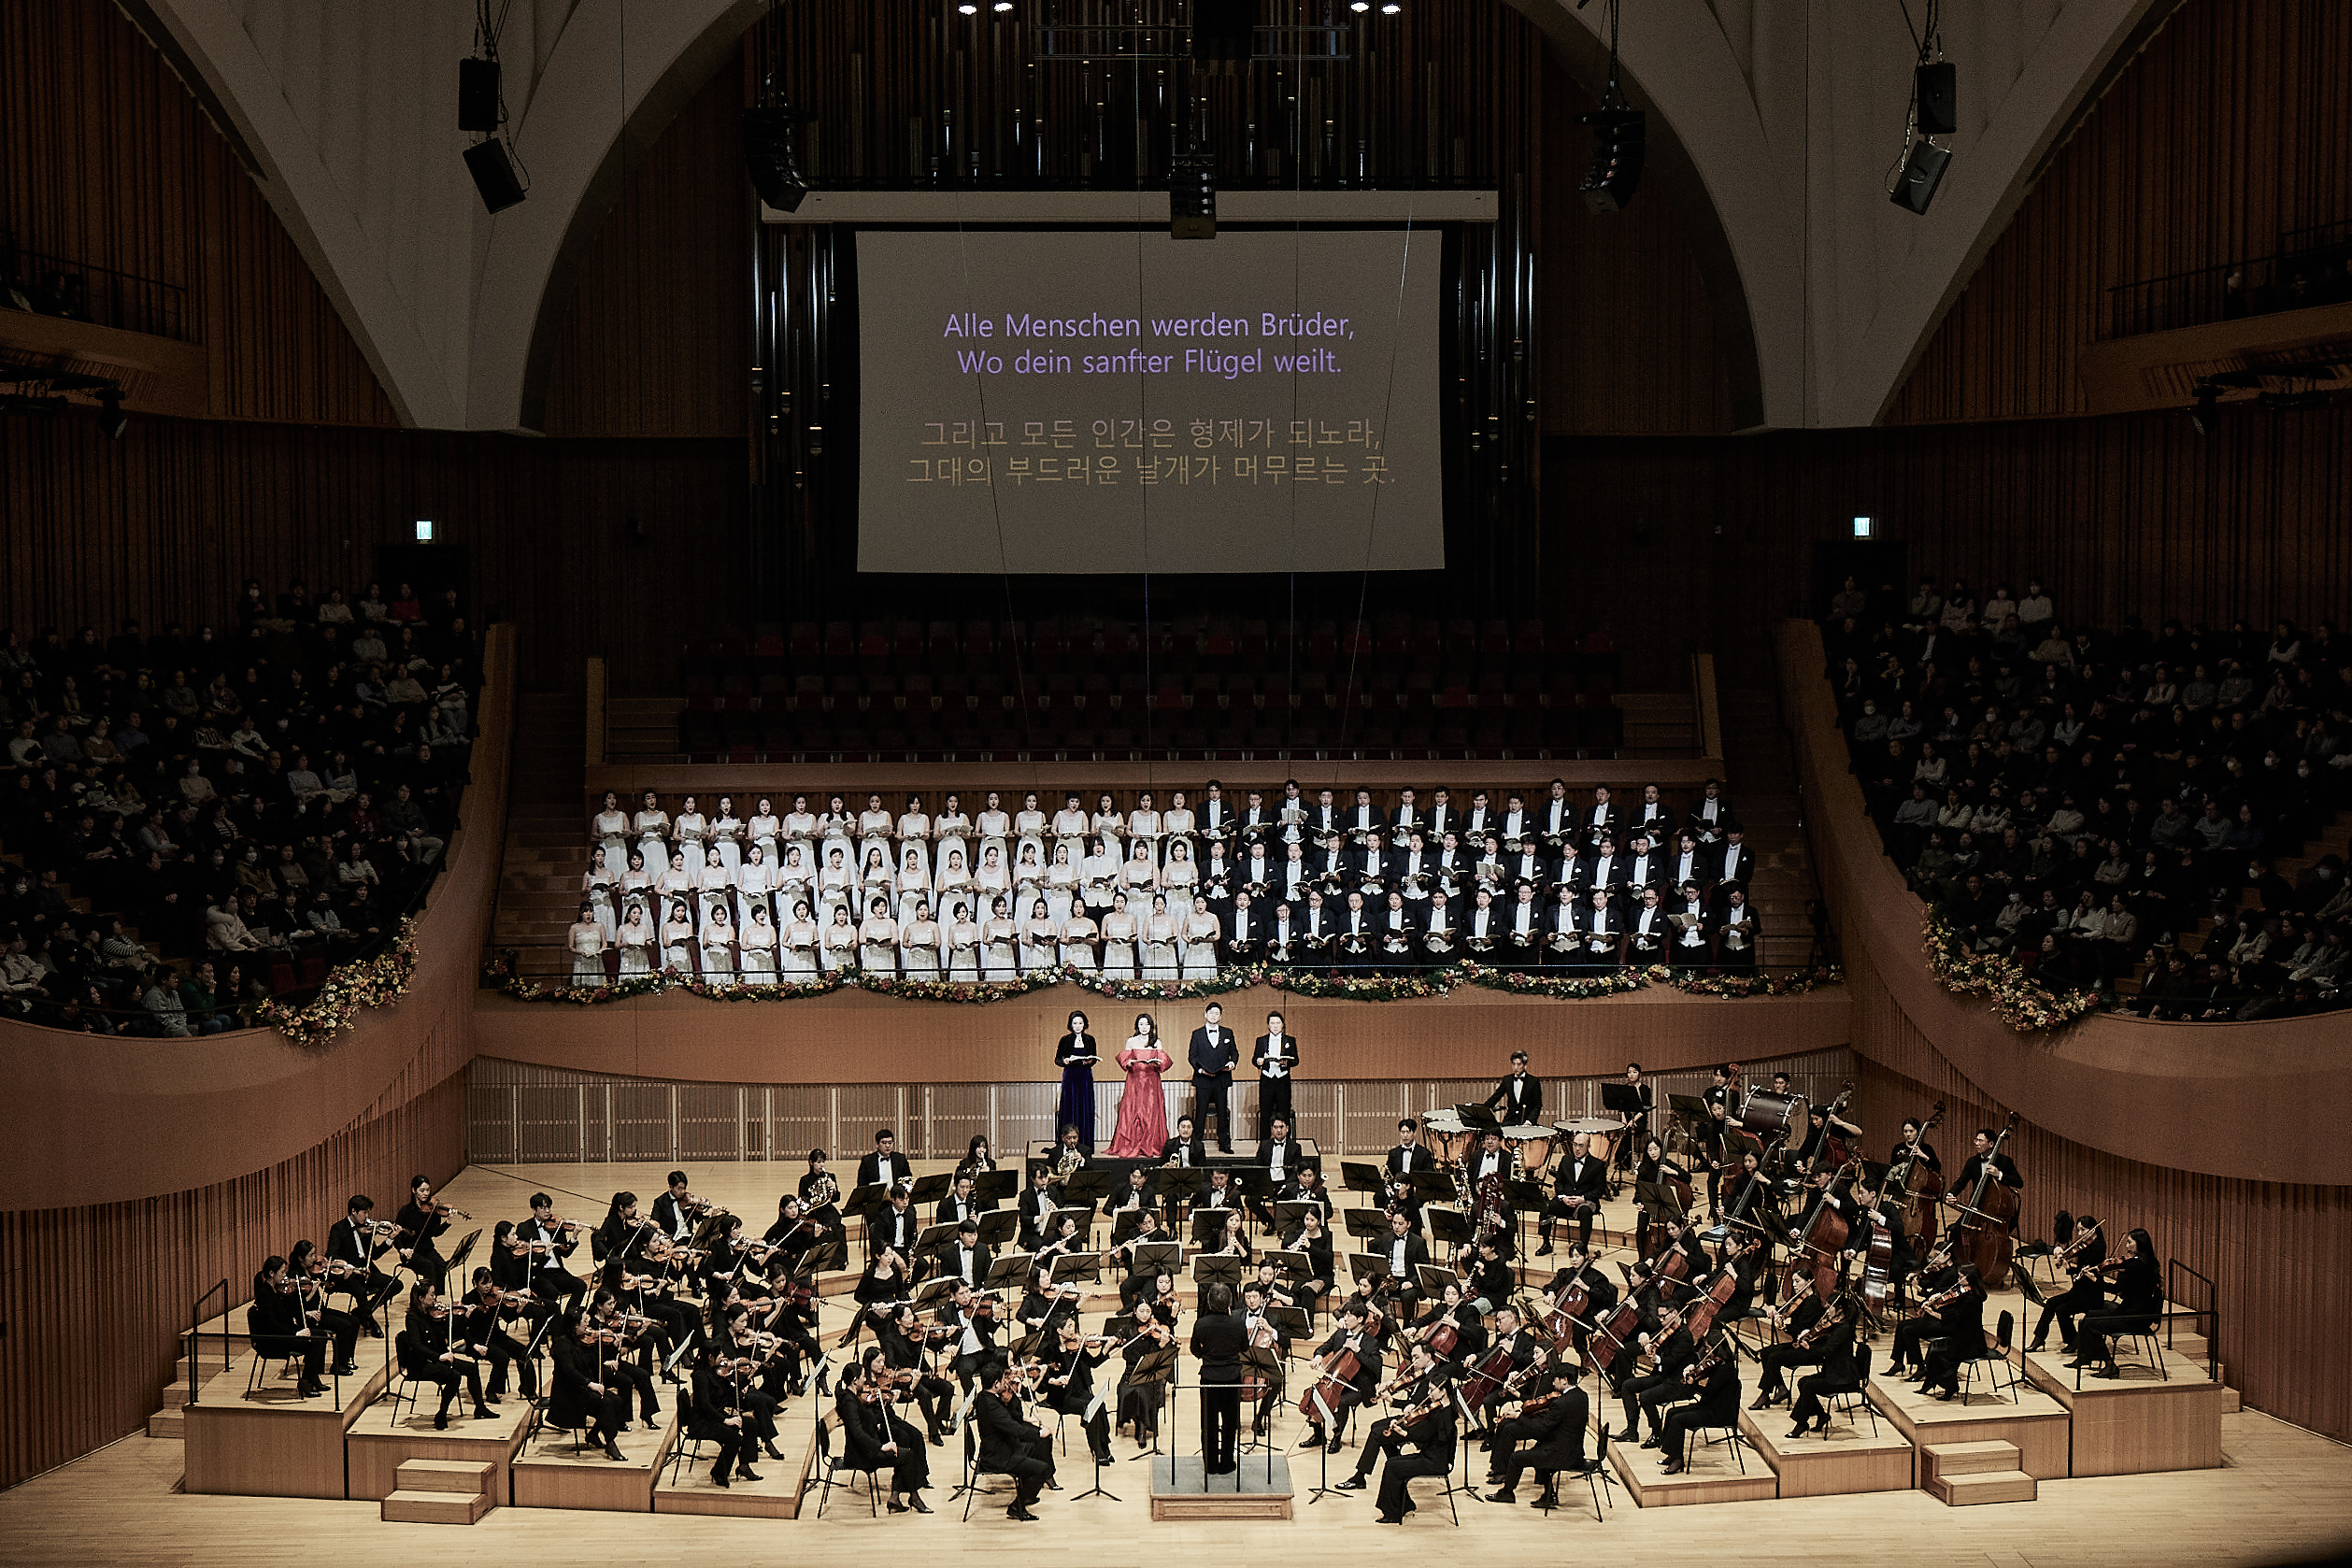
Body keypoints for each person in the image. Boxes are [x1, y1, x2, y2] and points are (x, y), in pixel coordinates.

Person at [1486, 1360, 1589, 1505]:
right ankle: (1549, 1496)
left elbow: (1541, 1429)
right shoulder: (1582, 1396)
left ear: (1565, 1380)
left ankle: (1506, 1493)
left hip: (1561, 1454)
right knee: (1537, 1448)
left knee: (1516, 1458)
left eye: (1555, 1379)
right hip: (1574, 1449)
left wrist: (1520, 1417)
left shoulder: (1561, 1403)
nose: (1552, 1383)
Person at [839, 1348, 932, 1508]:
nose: (883, 1365)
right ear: (856, 1380)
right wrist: (881, 1443)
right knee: (903, 1442)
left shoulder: (856, 1395)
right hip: (869, 1441)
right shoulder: (851, 1400)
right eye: (878, 1362)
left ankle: (911, 1486)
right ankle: (909, 1495)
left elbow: (863, 1423)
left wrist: (904, 1391)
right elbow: (858, 1431)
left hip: (883, 1424)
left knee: (914, 1436)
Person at [2072, 1228, 2162, 1378]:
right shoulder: (2150, 1263)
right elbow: (2128, 1290)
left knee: (2089, 1322)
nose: (2126, 1246)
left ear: (2139, 1244)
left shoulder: (2135, 1266)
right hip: (2138, 1314)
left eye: (2129, 1242)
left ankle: (2109, 1364)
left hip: (2133, 1318)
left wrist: (2096, 1280)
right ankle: (2085, 1356)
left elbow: (2118, 1290)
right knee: (2090, 1315)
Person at [403, 1282, 492, 1430]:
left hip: (439, 1357)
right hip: (421, 1364)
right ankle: (441, 1414)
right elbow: (417, 1345)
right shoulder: (412, 1318)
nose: (435, 1298)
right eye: (431, 1295)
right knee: (454, 1376)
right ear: (420, 1298)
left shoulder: (433, 1314)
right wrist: (439, 1357)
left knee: (471, 1368)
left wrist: (464, 1317)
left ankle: (480, 1408)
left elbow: (454, 1331)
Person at [976, 1359, 1056, 1521]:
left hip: (1001, 1446)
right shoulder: (993, 1407)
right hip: (999, 1456)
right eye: (1002, 1381)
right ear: (996, 1383)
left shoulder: (984, 1396)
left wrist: (1015, 1394)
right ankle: (1017, 1506)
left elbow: (1013, 1418)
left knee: (1035, 1450)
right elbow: (1015, 1429)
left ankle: (1026, 1493)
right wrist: (1039, 1433)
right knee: (1042, 1469)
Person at [550, 1312, 632, 1460]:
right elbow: (570, 1372)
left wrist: (613, 1349)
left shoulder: (582, 1341)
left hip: (582, 1388)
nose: (588, 1325)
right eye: (584, 1322)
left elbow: (594, 1363)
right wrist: (590, 1384)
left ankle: (593, 1434)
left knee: (618, 1401)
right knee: (605, 1403)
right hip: (569, 1393)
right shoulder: (562, 1344)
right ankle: (611, 1444)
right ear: (574, 1326)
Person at [1190, 1281, 1248, 1475]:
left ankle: (1210, 1464)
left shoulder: (1201, 1324)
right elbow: (1244, 1348)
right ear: (1230, 1302)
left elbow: (1193, 1349)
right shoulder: (1238, 1323)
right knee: (1230, 1422)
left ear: (1209, 1302)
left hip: (1209, 1378)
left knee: (1209, 1423)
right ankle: (1226, 1464)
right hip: (1232, 1378)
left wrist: (1206, 1356)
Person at [1657, 1340, 1739, 1474]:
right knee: (1672, 1412)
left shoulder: (1726, 1370)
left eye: (1709, 1348)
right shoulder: (1717, 1365)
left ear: (1717, 1351)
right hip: (1708, 1407)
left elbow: (1709, 1392)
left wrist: (1692, 1385)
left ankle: (1678, 1460)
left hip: (1718, 1414)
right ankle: (1672, 1453)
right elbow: (1705, 1375)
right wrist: (1693, 1369)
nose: (1707, 1351)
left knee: (1678, 1419)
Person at [1105, 1014, 1173, 1158]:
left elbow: (1164, 1062)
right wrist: (1128, 1063)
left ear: (1151, 1026)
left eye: (1147, 1024)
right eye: (1141, 1024)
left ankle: (1152, 1144)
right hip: (1134, 1081)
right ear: (1137, 1026)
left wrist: (1157, 1062)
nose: (1144, 1027)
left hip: (1151, 1082)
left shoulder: (1156, 1042)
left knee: (1151, 1113)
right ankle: (1132, 1143)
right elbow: (1124, 1060)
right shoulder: (1131, 1041)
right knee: (1133, 1112)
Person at [1538, 1133, 1607, 1257]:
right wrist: (1563, 1197)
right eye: (1575, 1145)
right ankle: (1546, 1243)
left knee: (1585, 1211)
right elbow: (1558, 1182)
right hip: (1566, 1200)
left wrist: (1582, 1198)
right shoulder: (1566, 1160)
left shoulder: (1598, 1165)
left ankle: (1582, 1249)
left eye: (1581, 1145)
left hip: (1585, 1201)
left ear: (1588, 1146)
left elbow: (1600, 1190)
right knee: (1546, 1207)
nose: (1577, 1149)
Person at [1187, 1002, 1240, 1154]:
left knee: (1222, 1112)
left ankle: (1224, 1144)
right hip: (1203, 1080)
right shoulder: (1197, 1034)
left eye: (1217, 1013)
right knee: (1201, 1112)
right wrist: (1200, 1070)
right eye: (1211, 1013)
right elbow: (1192, 1056)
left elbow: (1235, 1053)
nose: (1214, 1016)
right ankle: (1196, 1145)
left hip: (1221, 1079)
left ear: (1220, 1016)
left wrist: (1232, 1063)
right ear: (1205, 1015)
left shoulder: (1228, 1033)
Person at [1055, 1010, 1100, 1154]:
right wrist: (1065, 1061)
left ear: (1084, 1024)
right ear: (1071, 1025)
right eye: (1075, 1023)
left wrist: (1090, 1061)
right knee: (1069, 1107)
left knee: (1085, 1108)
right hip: (1070, 1076)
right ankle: (1066, 1144)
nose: (1078, 1026)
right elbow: (1057, 1059)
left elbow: (1093, 1058)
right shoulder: (1065, 1040)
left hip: (1085, 1077)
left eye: (1080, 1023)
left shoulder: (1090, 1039)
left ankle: (1085, 1144)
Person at [1252, 1010, 1298, 1145]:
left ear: (1282, 1024)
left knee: (1283, 1111)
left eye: (1278, 1023)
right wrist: (1258, 1061)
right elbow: (1254, 1059)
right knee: (1265, 1113)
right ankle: (1264, 1144)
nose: (1275, 1026)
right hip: (1267, 1079)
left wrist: (1287, 1062)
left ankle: (1286, 1143)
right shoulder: (1261, 1040)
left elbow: (1296, 1060)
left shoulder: (1290, 1040)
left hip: (1283, 1079)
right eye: (1272, 1023)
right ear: (1268, 1025)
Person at [1481, 1050, 1544, 1125]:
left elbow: (1537, 1105)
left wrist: (1529, 1121)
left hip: (1526, 1120)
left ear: (1525, 1065)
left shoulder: (1533, 1081)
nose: (1515, 1067)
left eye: (1518, 1064)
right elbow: (1495, 1097)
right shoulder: (1507, 1080)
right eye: (1513, 1064)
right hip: (1510, 1119)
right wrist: (1481, 1110)